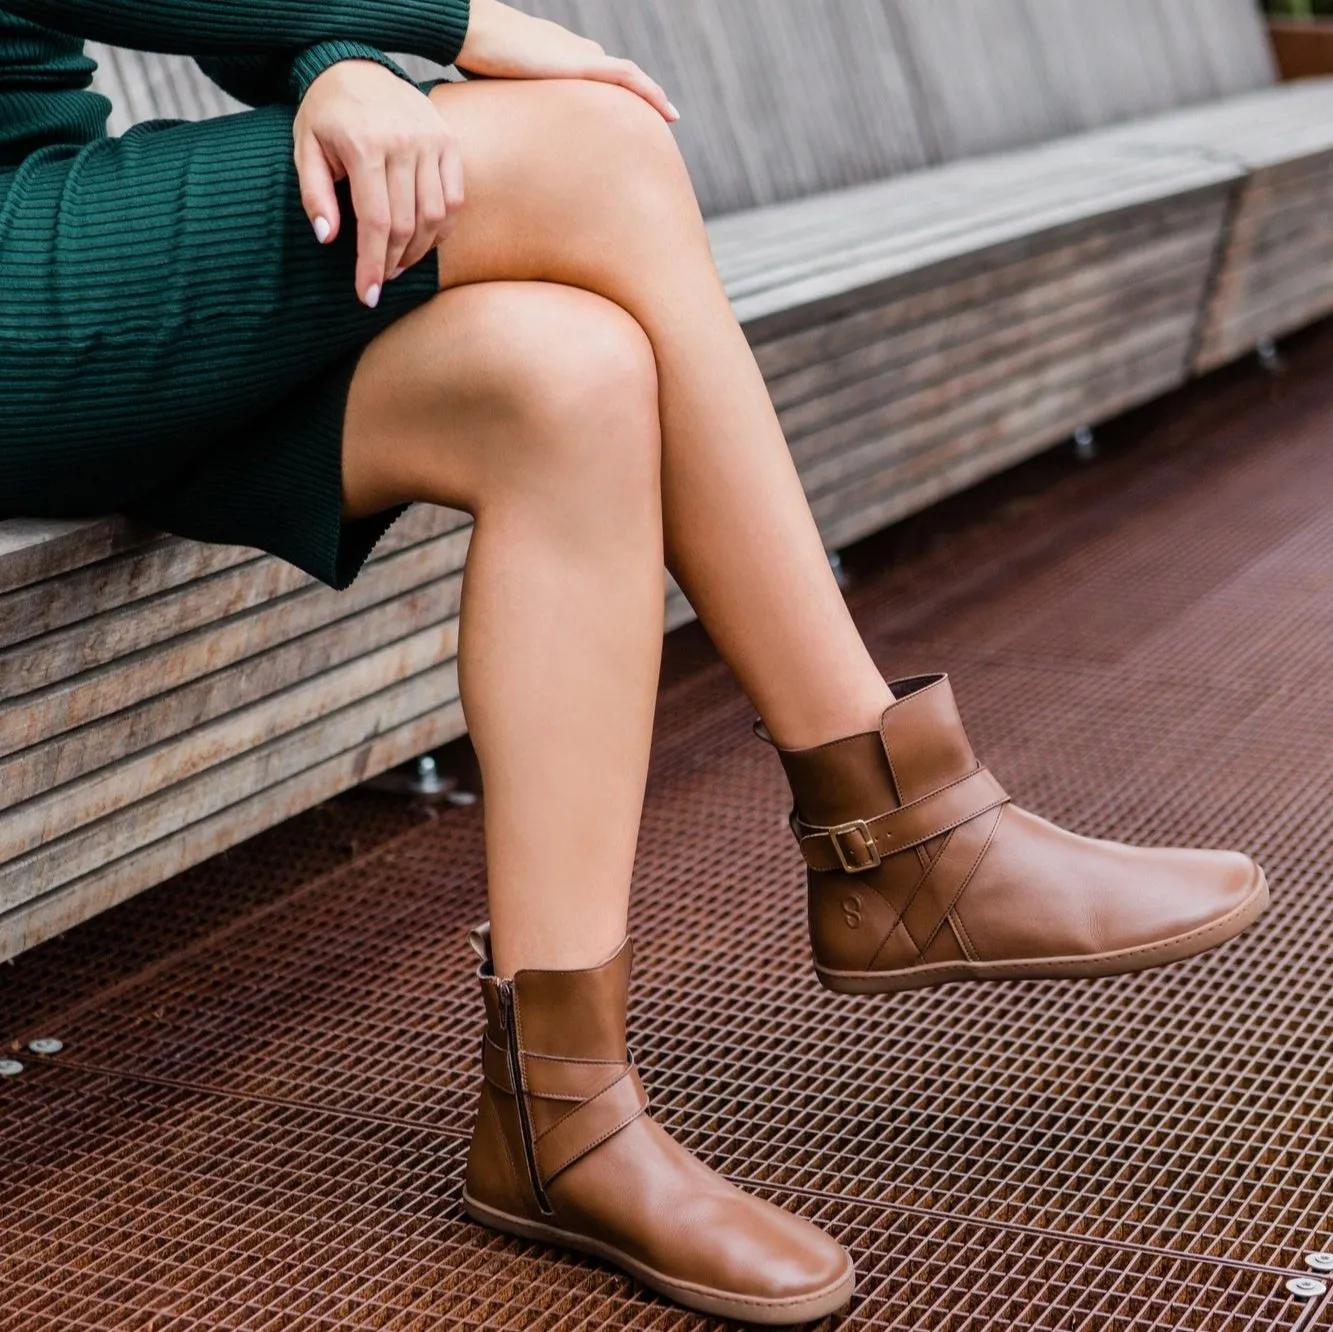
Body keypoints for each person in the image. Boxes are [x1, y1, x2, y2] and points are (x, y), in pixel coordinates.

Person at [0, 0, 1269, 1321]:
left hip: (70, 294)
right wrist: (447, 22)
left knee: (572, 379)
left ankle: (560, 1119)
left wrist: (343, 61)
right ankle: (893, 825)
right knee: (595, 148)